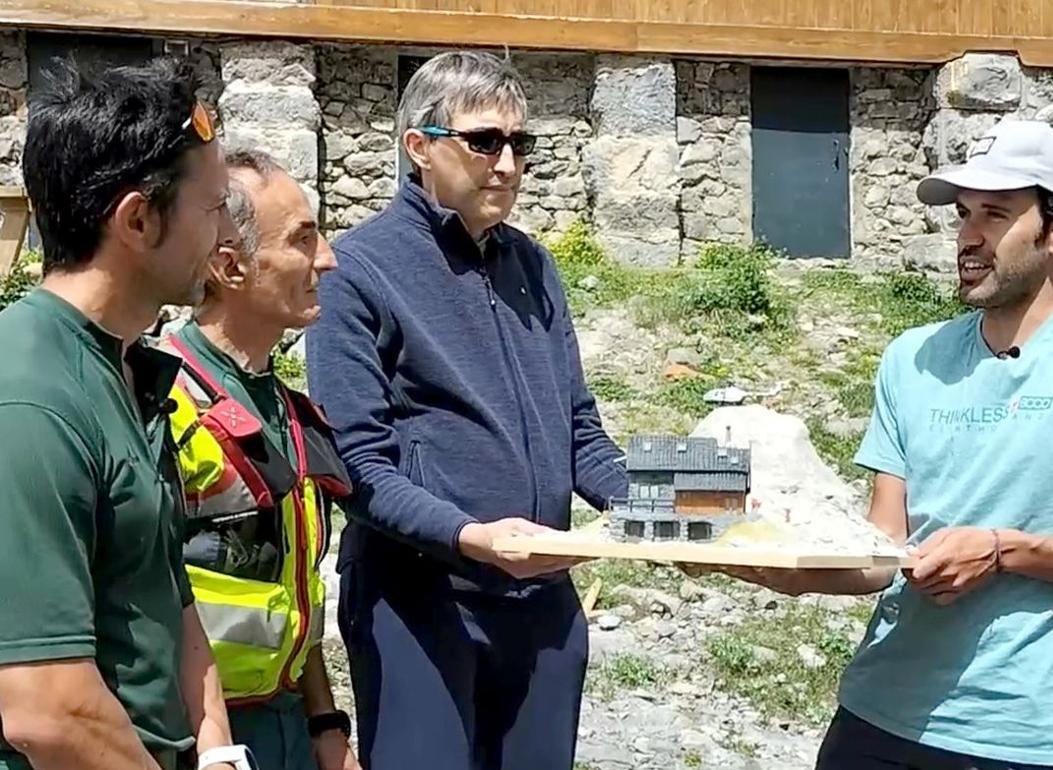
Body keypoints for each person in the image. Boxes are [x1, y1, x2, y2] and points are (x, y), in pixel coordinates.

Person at [707, 120, 1053, 770]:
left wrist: (1007, 551)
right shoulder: (911, 358)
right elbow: (881, 552)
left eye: (995, 216)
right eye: (964, 215)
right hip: (874, 723)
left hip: (1027, 743)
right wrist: (778, 566)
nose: (968, 238)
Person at [305, 50, 628, 770]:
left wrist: (664, 510)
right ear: (418, 147)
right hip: (419, 604)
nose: (507, 164)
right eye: (485, 141)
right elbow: (354, 465)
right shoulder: (357, 271)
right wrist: (472, 535)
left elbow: (578, 426)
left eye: (521, 145)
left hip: (543, 602)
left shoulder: (535, 266)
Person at [0, 57, 249, 770]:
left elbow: (165, 590)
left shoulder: (122, 368)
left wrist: (216, 750)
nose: (228, 232)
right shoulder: (31, 398)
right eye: (214, 207)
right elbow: (48, 710)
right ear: (138, 219)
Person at [161, 147, 360, 770]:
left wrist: (326, 724)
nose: (325, 258)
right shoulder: (161, 403)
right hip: (191, 738)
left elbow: (289, 587)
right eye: (302, 239)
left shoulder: (283, 404)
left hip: (285, 727)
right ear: (230, 267)